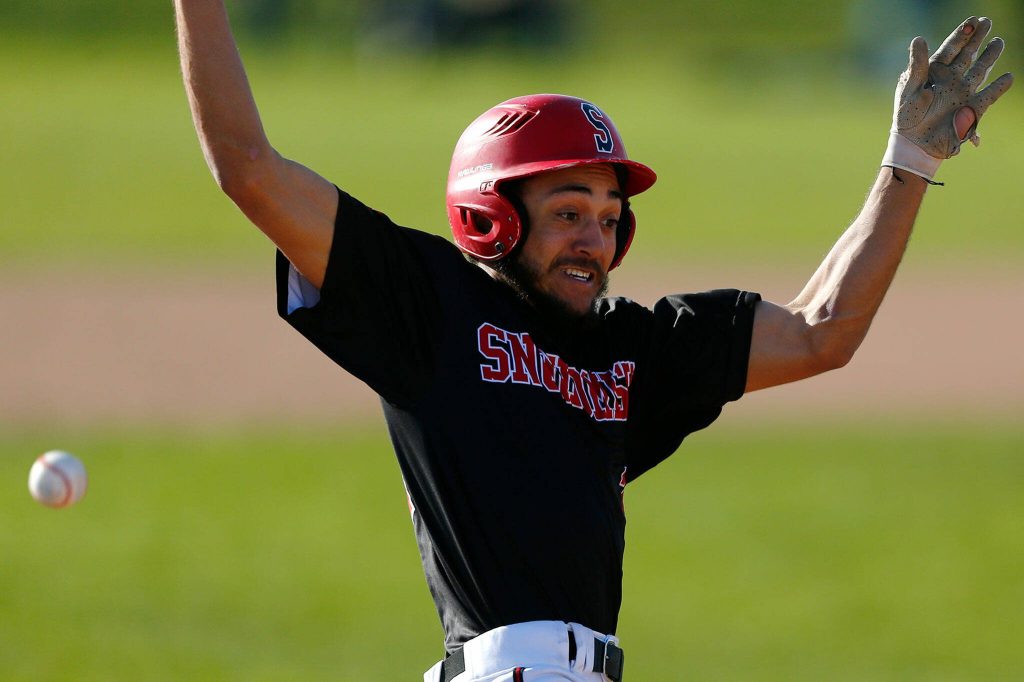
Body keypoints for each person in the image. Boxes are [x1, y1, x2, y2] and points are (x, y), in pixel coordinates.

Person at [174, 4, 1011, 680]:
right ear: (490, 216)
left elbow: (823, 331)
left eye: (610, 220)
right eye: (569, 212)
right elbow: (248, 168)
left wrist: (907, 162)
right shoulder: (432, 308)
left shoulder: (634, 352)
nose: (595, 241)